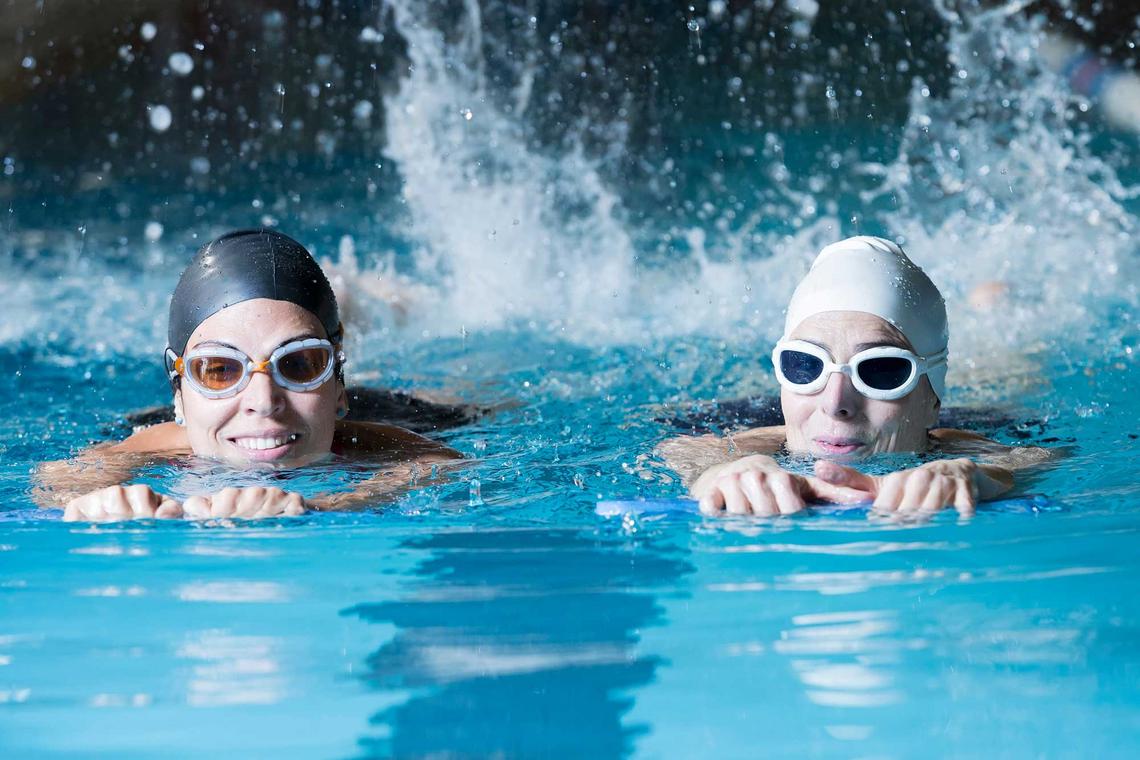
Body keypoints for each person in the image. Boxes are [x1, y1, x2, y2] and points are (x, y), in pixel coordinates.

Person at [33, 229, 462, 522]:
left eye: (299, 362)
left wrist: (323, 506)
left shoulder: (372, 439)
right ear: (179, 396)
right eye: (219, 370)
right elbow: (65, 477)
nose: (263, 400)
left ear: (338, 389)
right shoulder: (166, 440)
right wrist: (94, 502)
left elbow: (443, 465)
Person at [657, 236, 1053, 518]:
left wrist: (971, 475)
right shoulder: (741, 440)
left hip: (959, 420)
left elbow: (1029, 460)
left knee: (1003, 374)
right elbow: (684, 454)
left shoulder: (961, 444)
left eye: (881, 369)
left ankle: (989, 310)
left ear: (933, 398)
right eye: (805, 364)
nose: (835, 403)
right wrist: (719, 474)